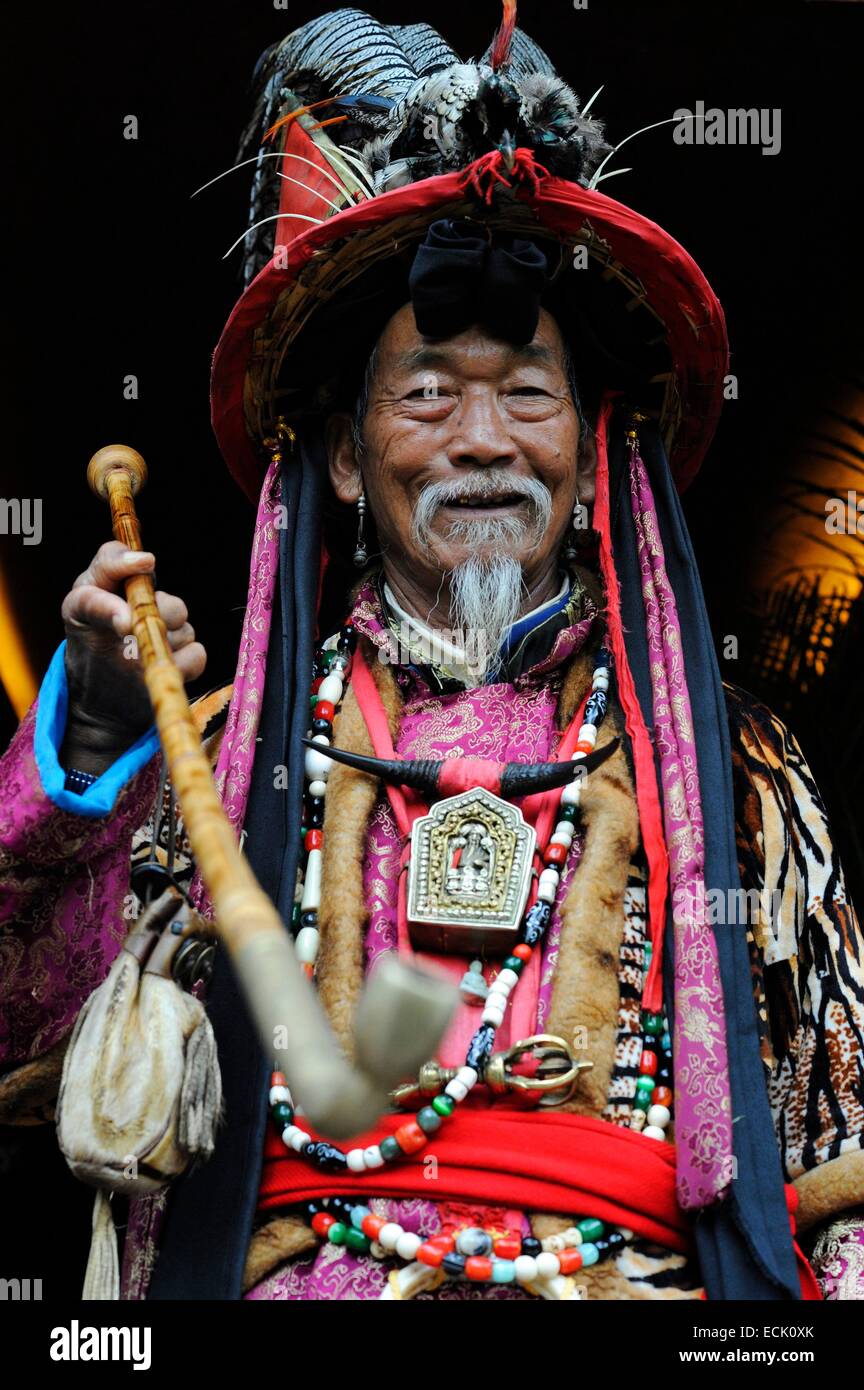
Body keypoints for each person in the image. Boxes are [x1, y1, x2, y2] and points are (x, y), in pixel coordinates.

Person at [1, 7, 862, 1302]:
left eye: (526, 393)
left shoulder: (730, 776)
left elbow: (840, 1150)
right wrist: (92, 745)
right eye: (425, 394)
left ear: (589, 458)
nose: (481, 440)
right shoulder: (225, 766)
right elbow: (29, 1035)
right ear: (345, 458)